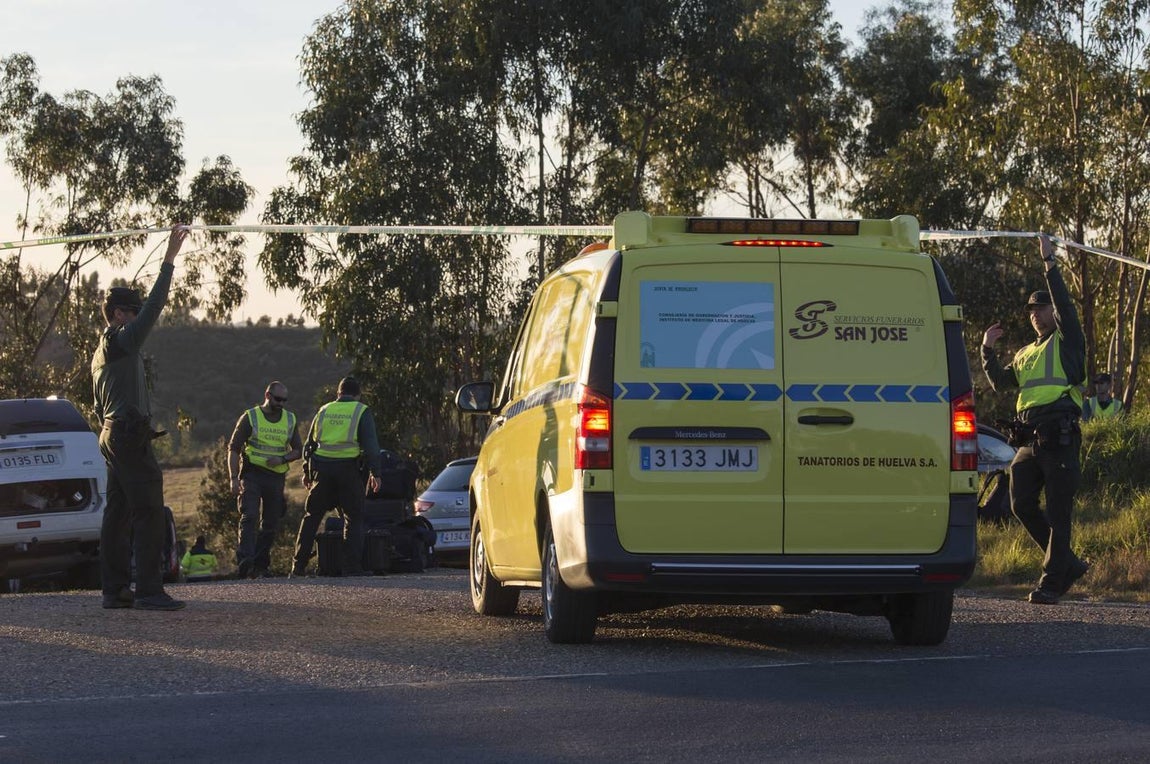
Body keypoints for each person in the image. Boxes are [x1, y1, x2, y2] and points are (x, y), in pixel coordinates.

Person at [981, 233, 1090, 605]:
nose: (1035, 313)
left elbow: (1065, 307)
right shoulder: (1027, 352)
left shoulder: (1067, 340)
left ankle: (1052, 582)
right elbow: (1000, 382)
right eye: (1031, 310)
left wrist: (1049, 263)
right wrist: (986, 350)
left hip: (1059, 436)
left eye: (1041, 308)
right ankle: (1069, 564)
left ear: (1053, 313)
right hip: (1029, 441)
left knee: (1059, 515)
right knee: (1020, 504)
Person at [91, 224, 189, 611]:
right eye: (131, 312)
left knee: (117, 513)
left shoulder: (101, 351)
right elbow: (155, 308)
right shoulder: (121, 338)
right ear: (119, 314)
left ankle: (114, 591)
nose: (137, 317)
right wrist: (168, 259)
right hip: (128, 436)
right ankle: (149, 590)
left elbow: (99, 402)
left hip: (111, 434)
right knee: (148, 510)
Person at [291, 376, 381, 577]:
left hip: (322, 470)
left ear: (338, 393)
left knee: (312, 517)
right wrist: (376, 473)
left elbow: (309, 446)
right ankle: (352, 567)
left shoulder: (324, 410)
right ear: (358, 395)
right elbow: (372, 447)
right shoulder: (361, 411)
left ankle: (297, 567)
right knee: (354, 518)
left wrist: (307, 473)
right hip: (348, 471)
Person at [227, 381, 303, 577]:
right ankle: (246, 564)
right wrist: (233, 478)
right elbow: (233, 448)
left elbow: (297, 450)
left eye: (284, 400)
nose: (281, 404)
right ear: (267, 395)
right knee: (249, 516)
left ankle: (261, 566)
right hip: (252, 475)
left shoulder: (289, 419)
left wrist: (282, 458)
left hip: (276, 477)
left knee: (270, 523)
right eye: (278, 399)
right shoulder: (250, 417)